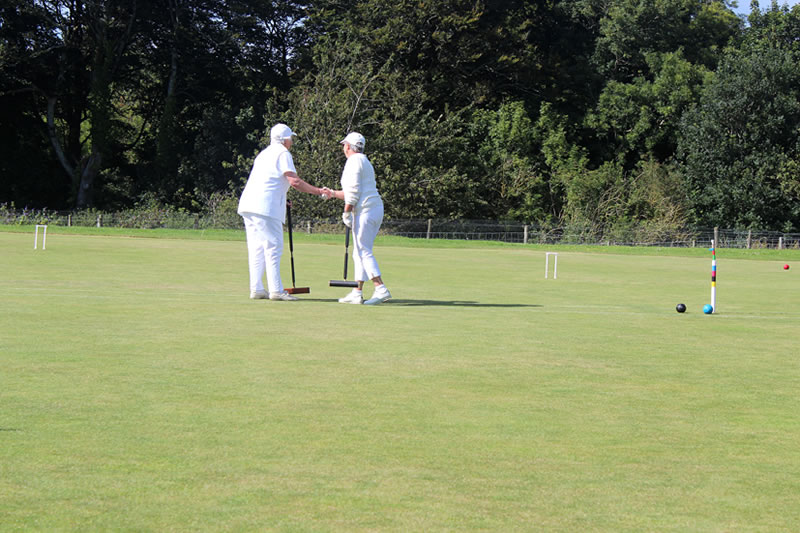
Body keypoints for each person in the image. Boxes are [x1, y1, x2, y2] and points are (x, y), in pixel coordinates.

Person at [237, 123, 329, 301]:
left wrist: (283, 197)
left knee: (256, 248)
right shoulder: (283, 153)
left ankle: (256, 289)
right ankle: (276, 291)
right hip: (265, 208)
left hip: (249, 204)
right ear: (285, 139)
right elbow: (294, 181)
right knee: (273, 247)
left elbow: (268, 181)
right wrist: (318, 191)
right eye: (290, 138)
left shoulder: (264, 154)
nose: (291, 141)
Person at [325, 132, 391, 305]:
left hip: (366, 211)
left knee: (363, 250)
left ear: (348, 146)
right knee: (359, 251)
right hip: (372, 209)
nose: (343, 148)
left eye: (344, 145)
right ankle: (357, 291)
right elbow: (353, 192)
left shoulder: (353, 161)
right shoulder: (364, 161)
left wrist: (346, 212)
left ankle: (381, 289)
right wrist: (332, 193)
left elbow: (353, 194)